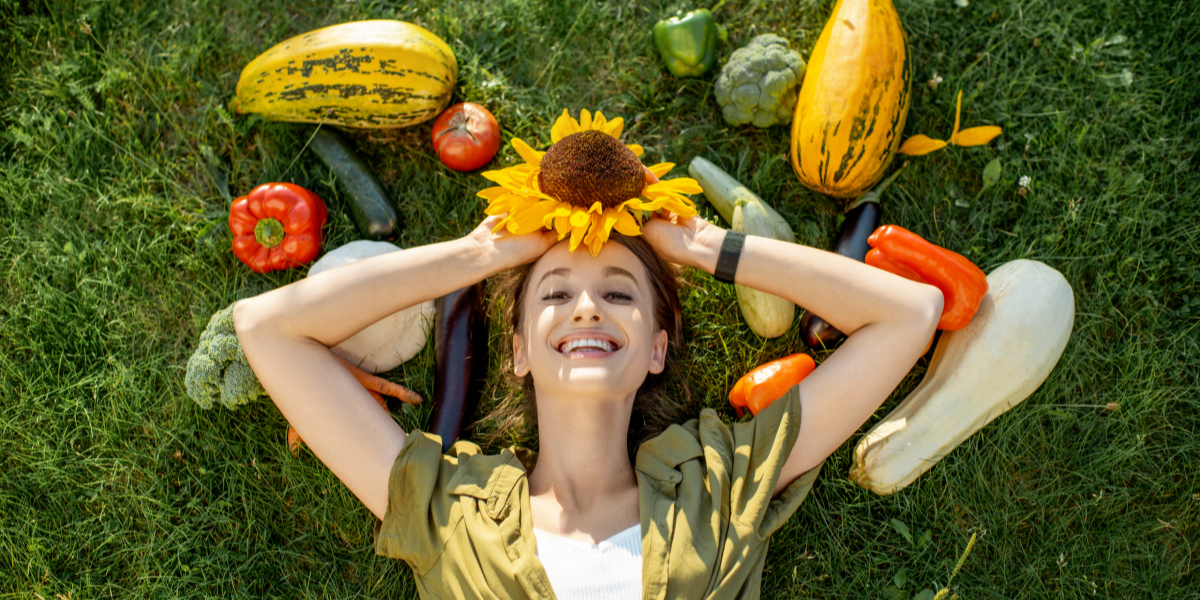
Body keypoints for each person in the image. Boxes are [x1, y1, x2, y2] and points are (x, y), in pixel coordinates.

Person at [232, 110, 942, 600]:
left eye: (622, 295)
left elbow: (908, 315)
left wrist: (699, 247)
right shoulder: (448, 508)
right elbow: (267, 330)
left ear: (659, 349)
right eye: (554, 295)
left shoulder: (723, 484)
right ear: (516, 351)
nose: (587, 307)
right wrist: (476, 254)